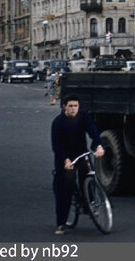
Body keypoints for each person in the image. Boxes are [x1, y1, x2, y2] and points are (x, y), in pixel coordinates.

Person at [50, 95, 104, 235]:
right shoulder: (58, 122)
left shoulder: (83, 117)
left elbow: (93, 131)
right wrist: (65, 160)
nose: (73, 109)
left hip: (81, 154)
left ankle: (90, 204)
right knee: (64, 190)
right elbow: (56, 146)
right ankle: (61, 223)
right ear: (64, 107)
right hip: (65, 158)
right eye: (71, 106)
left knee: (88, 174)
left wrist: (98, 146)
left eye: (76, 106)